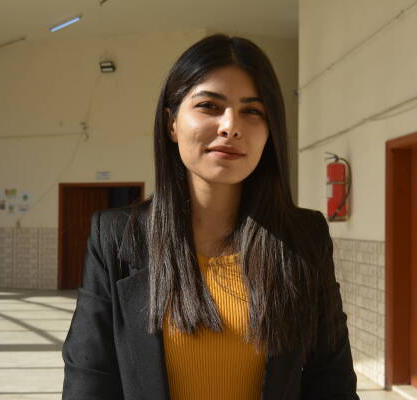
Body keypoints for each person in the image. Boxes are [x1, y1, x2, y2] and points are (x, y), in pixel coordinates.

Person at [62, 33, 359, 400]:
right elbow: (89, 380)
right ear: (171, 123)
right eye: (209, 105)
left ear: (270, 131)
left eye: (252, 111)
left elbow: (332, 382)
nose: (230, 126)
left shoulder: (303, 237)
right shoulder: (116, 236)